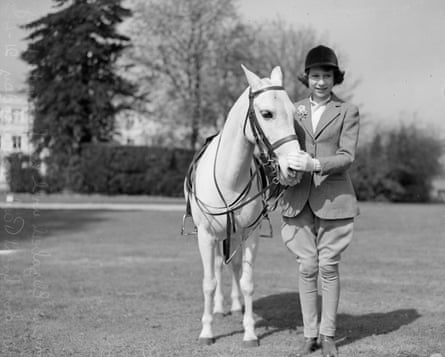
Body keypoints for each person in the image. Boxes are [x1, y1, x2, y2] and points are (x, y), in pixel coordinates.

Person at [280, 45, 360, 357]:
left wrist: (315, 165)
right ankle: (309, 334)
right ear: (307, 78)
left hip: (334, 197)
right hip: (297, 197)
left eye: (327, 75)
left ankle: (328, 335)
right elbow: (282, 149)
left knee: (328, 267)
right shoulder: (293, 109)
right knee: (306, 267)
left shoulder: (347, 111)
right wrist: (283, 171)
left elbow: (347, 156)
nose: (321, 82)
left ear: (335, 78)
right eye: (315, 76)